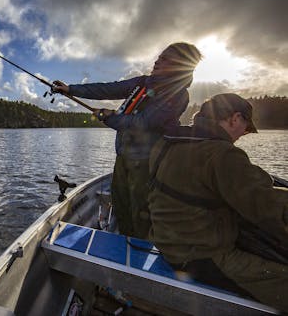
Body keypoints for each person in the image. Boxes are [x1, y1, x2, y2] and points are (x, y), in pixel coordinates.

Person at [147, 93, 288, 311]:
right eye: (246, 128)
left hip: (167, 242)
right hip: (201, 256)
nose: (244, 134)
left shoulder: (168, 143)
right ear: (235, 118)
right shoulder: (222, 154)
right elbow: (268, 207)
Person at [52, 42, 202, 239]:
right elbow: (108, 89)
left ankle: (138, 256)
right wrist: (70, 89)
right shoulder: (143, 82)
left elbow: (143, 123)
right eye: (160, 56)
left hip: (147, 164)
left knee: (141, 214)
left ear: (181, 65)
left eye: (166, 59)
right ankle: (123, 248)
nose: (158, 61)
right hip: (123, 157)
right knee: (121, 208)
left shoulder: (178, 95)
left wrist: (108, 116)